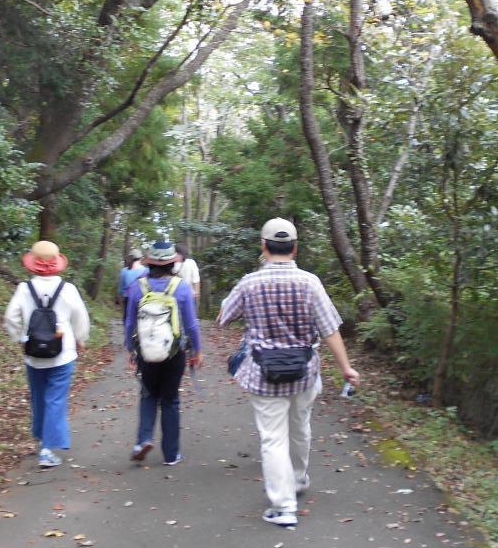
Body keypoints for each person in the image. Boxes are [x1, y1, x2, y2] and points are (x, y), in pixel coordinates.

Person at [218, 217, 359, 527]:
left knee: (273, 439)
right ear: (295, 248)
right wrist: (346, 368)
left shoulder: (249, 283)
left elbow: (224, 317)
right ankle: (297, 479)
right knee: (300, 427)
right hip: (304, 372)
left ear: (263, 247)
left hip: (264, 373)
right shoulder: (310, 283)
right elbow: (330, 329)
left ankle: (283, 507)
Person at [4, 240, 90, 469]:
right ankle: (47, 450)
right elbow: (81, 318)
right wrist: (80, 339)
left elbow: (11, 317)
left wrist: (19, 338)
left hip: (33, 353)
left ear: (33, 264)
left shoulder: (24, 289)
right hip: (63, 353)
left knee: (39, 397)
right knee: (55, 399)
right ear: (57, 263)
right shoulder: (68, 289)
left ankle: (41, 439)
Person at [125, 240, 202, 466]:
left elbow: (130, 322)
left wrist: (130, 348)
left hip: (146, 351)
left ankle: (143, 440)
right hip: (174, 352)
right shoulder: (182, 287)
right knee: (170, 399)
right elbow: (191, 325)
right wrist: (197, 350)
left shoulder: (137, 287)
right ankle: (171, 454)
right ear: (172, 263)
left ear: (149, 262)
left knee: (148, 395)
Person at [118, 249, 147, 319]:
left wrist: (120, 301)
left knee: (127, 319)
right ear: (141, 258)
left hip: (127, 299)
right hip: (141, 299)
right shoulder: (146, 270)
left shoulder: (124, 271)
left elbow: (120, 289)